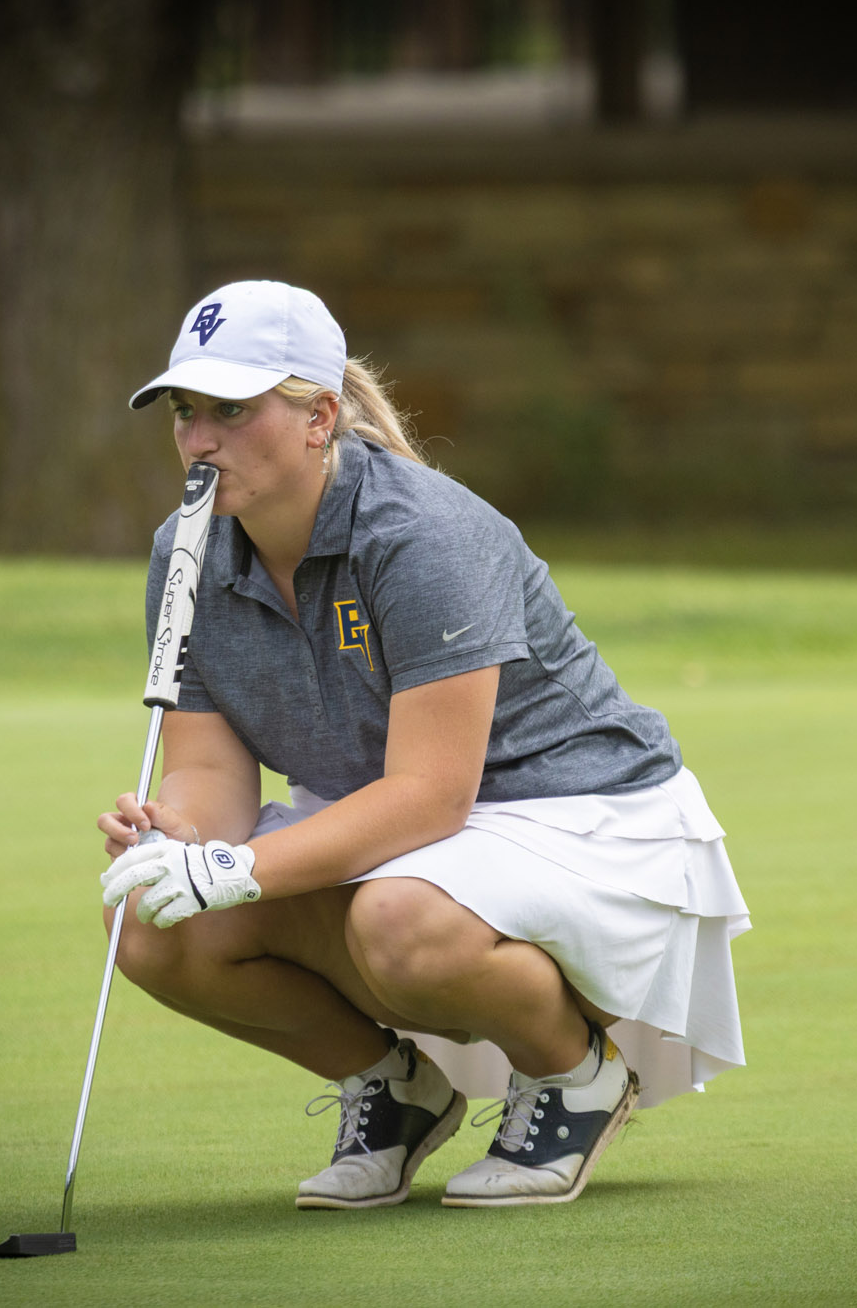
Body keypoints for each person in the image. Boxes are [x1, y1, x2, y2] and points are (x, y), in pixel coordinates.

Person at [96, 279, 749, 1209]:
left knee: (397, 922)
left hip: (580, 814)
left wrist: (235, 866)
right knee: (153, 923)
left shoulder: (422, 533)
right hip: (410, 834)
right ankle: (396, 1090)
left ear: (320, 415)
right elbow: (207, 770)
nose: (198, 440)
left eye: (231, 412)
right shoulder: (186, 550)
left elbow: (433, 793)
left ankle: (575, 1077)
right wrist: (180, 844)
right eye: (185, 413)